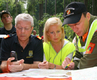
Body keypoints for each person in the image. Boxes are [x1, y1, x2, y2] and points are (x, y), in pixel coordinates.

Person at [62, 2, 97, 70]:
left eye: (77, 24)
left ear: (88, 16)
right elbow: (79, 54)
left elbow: (89, 62)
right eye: (70, 26)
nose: (74, 29)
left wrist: (76, 65)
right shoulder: (80, 31)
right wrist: (73, 64)